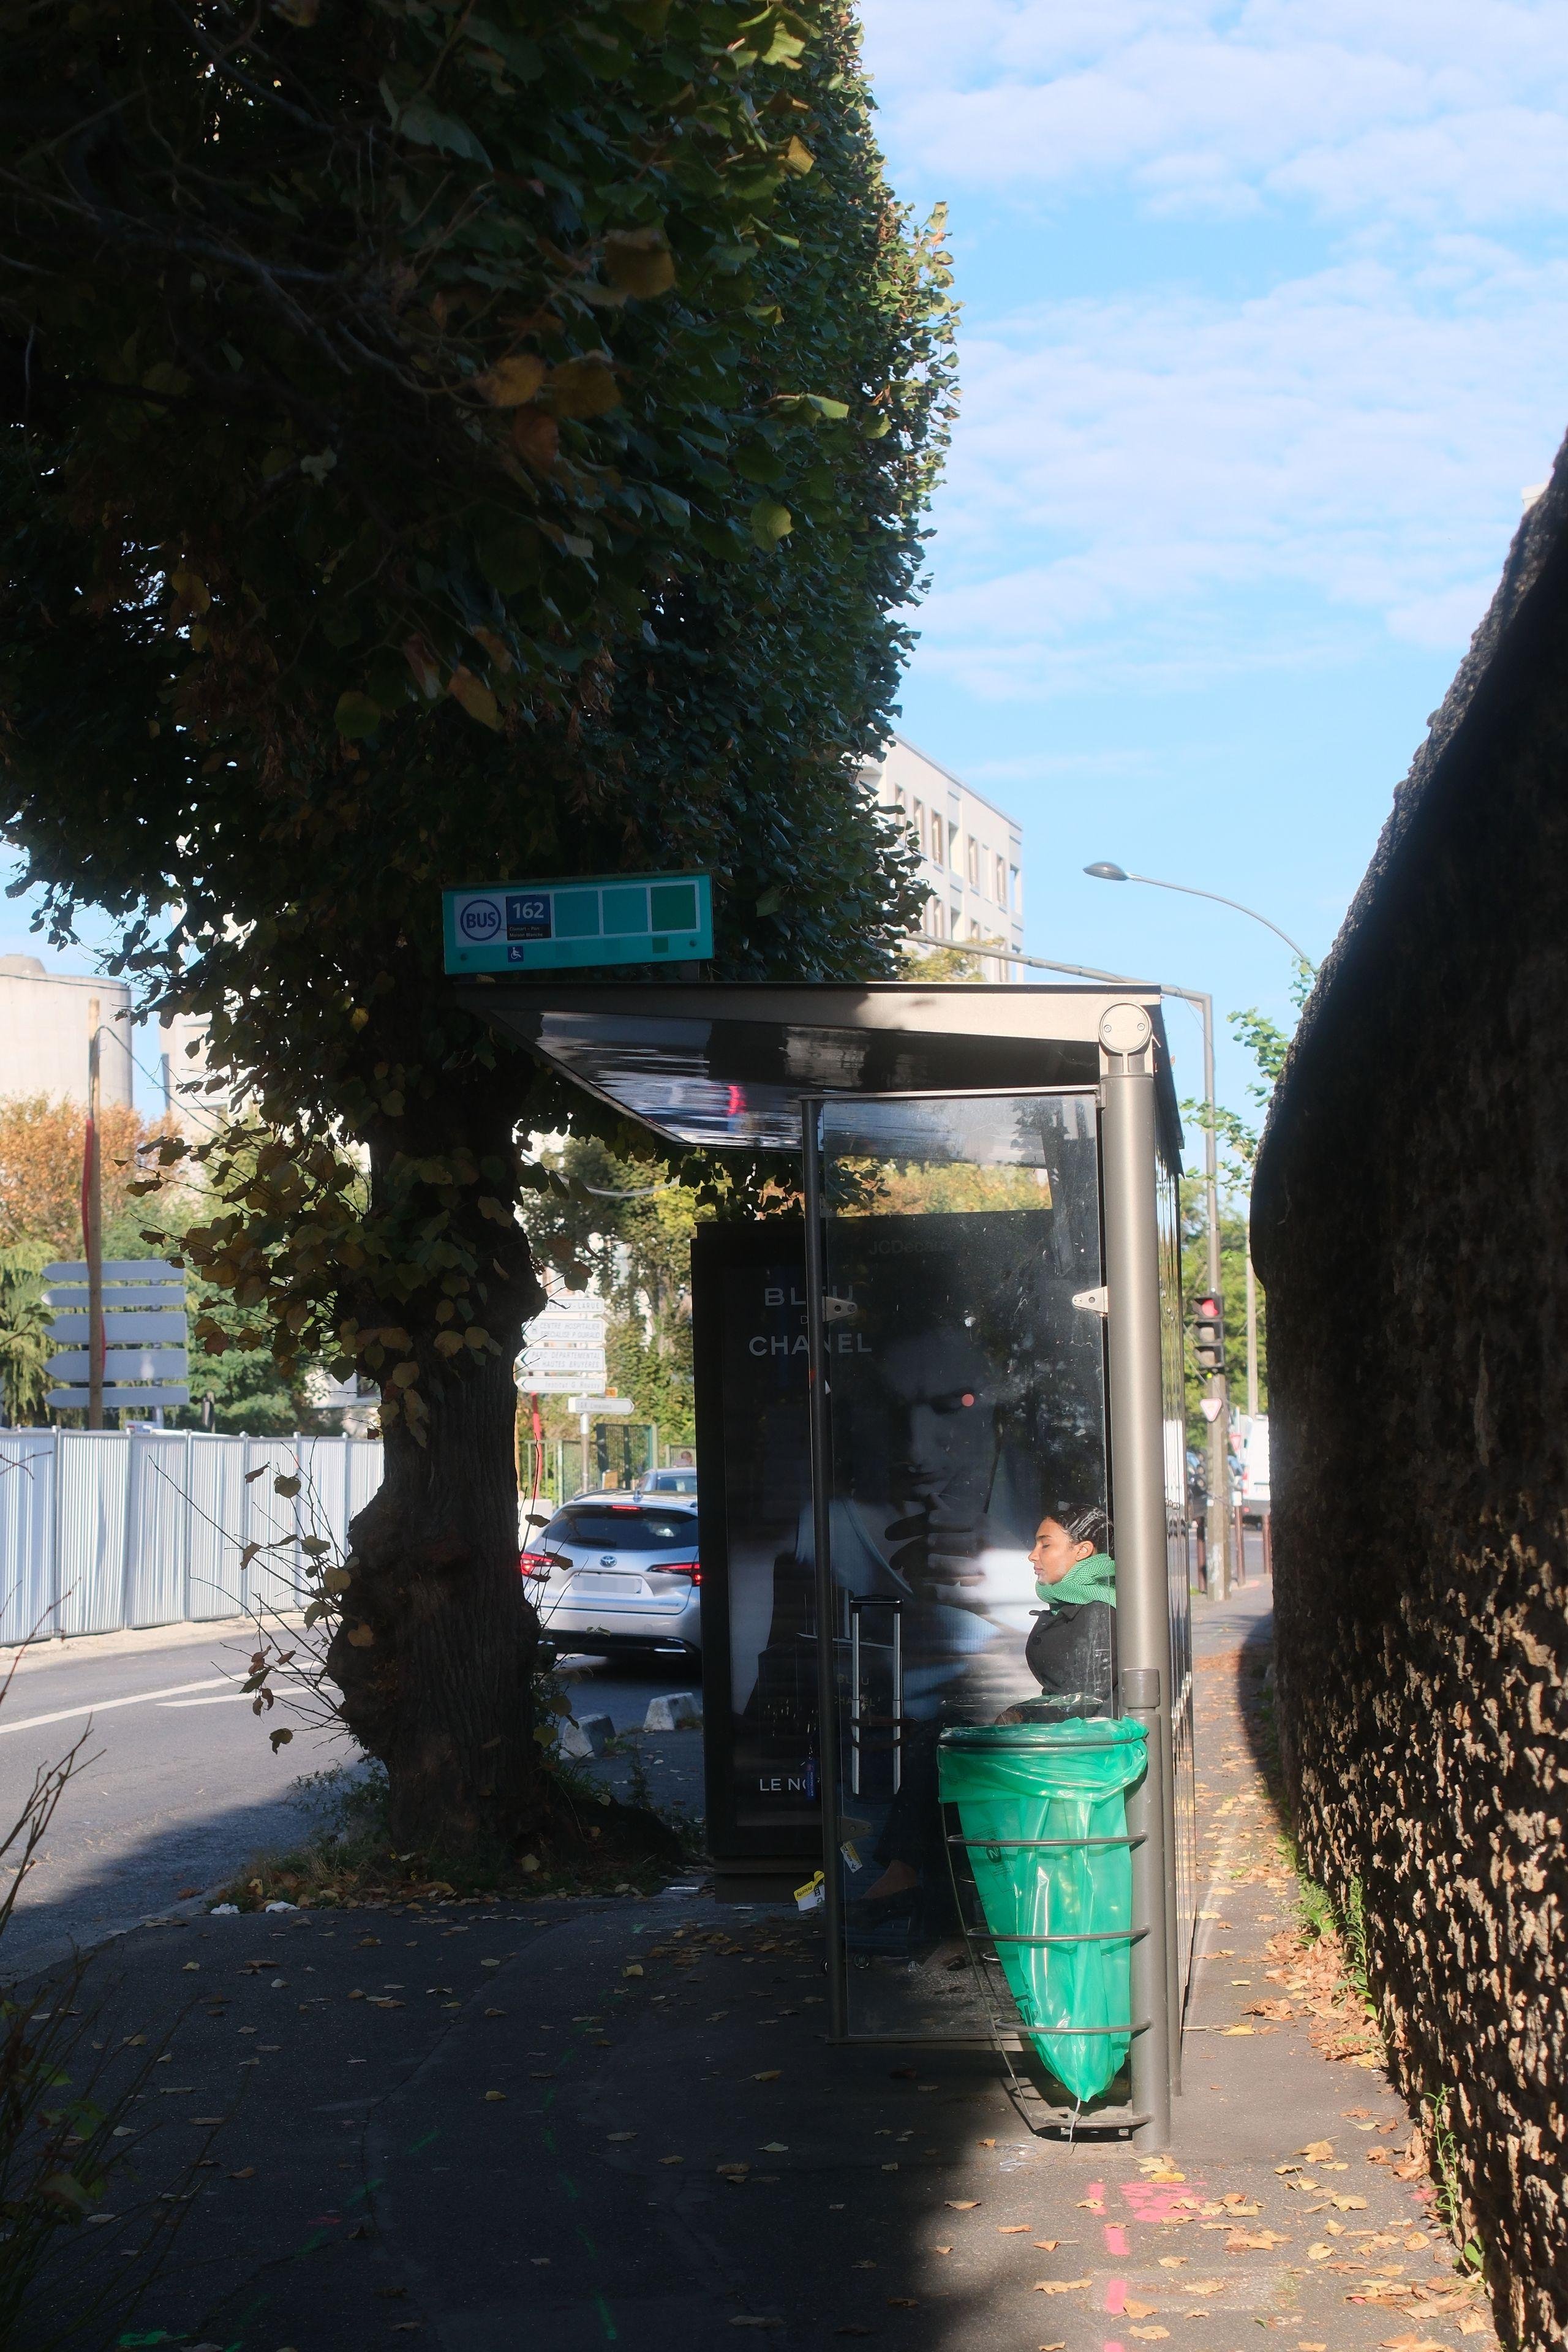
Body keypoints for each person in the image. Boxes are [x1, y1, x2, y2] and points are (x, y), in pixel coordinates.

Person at [1006, 1502, 1117, 1721]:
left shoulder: (1100, 1609)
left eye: (1045, 1545)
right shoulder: (1070, 1603)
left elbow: (1084, 1700)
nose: (1033, 1555)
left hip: (1092, 1747)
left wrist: (1023, 1715)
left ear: (1082, 1550)